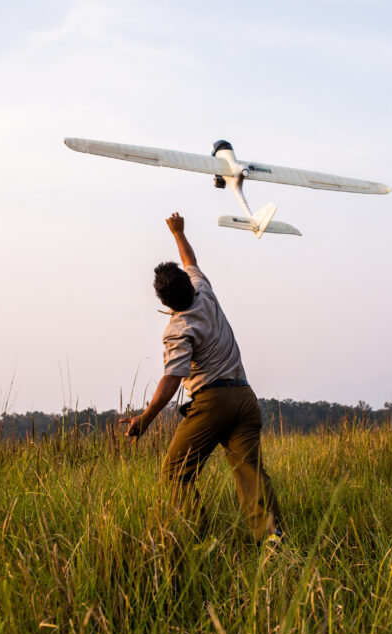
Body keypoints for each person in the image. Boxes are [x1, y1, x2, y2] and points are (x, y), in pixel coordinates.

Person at [120, 212, 283, 544]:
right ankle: (272, 539)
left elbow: (171, 380)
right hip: (245, 397)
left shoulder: (178, 329)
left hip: (214, 402)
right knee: (250, 474)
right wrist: (178, 232)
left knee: (175, 473)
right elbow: (189, 260)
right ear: (187, 283)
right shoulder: (204, 292)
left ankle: (196, 537)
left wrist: (146, 418)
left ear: (163, 302)